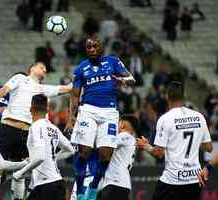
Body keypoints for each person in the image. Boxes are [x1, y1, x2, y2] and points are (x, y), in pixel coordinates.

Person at [0, 62, 71, 200]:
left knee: (21, 172)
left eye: (45, 69)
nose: (45, 70)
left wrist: (80, 78)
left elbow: (66, 88)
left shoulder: (43, 89)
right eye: (42, 67)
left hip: (27, 132)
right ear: (32, 69)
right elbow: (5, 89)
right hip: (8, 127)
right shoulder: (21, 78)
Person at [67, 37, 135, 200]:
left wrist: (123, 80)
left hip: (109, 112)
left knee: (105, 154)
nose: (91, 49)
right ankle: (81, 192)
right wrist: (71, 118)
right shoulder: (81, 68)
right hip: (88, 110)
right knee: (84, 151)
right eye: (88, 47)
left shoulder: (114, 62)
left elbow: (132, 79)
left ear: (101, 47)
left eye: (94, 46)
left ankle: (94, 186)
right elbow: (75, 96)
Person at [135, 81, 213, 200]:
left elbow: (159, 153)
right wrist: (193, 140)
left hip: (173, 180)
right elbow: (209, 147)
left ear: (167, 96)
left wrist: (145, 146)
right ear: (183, 96)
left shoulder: (165, 119)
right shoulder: (199, 116)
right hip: (194, 179)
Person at [12, 94, 74, 200]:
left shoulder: (36, 127)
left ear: (30, 109)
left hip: (46, 185)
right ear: (47, 110)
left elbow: (40, 157)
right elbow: (70, 150)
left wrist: (20, 173)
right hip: (57, 183)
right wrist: (52, 157)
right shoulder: (53, 128)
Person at [98, 115, 138, 200]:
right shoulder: (132, 140)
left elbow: (108, 143)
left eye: (118, 123)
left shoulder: (125, 135)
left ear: (122, 124)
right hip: (121, 183)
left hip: (115, 183)